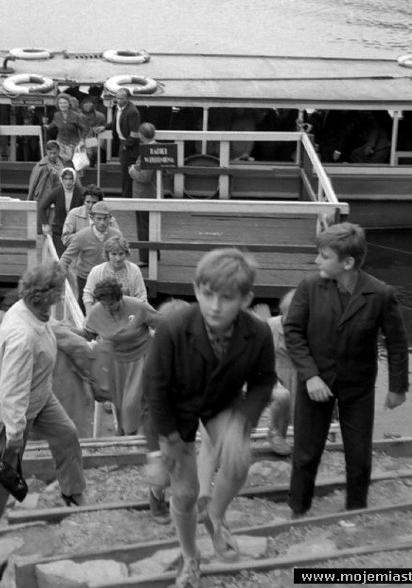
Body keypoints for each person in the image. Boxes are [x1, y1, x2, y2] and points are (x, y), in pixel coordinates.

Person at [144, 249, 276, 587]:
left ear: (246, 299)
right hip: (175, 410)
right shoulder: (173, 327)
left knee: (239, 458)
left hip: (220, 402)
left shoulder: (258, 333)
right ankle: (190, 556)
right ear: (196, 289)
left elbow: (263, 382)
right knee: (185, 494)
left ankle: (215, 515)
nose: (215, 306)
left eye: (227, 298)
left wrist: (241, 423)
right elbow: (155, 387)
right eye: (207, 295)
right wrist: (164, 446)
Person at [284, 222, 409, 518]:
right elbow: (293, 332)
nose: (317, 261)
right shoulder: (309, 287)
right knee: (306, 452)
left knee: (359, 454)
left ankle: (355, 510)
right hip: (315, 382)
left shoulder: (380, 294)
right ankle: (298, 509)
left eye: (324, 256)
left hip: (358, 386)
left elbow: (397, 342)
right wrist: (310, 375)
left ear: (348, 262)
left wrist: (397, 387)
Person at [0, 262, 86, 538]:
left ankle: (72, 491)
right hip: (9, 409)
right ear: (47, 296)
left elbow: (54, 328)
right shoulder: (22, 336)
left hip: (40, 396)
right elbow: (12, 389)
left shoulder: (37, 312)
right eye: (60, 291)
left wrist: (84, 338)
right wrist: (14, 430)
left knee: (66, 434)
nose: (62, 295)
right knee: (3, 464)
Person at [83, 277, 168, 523]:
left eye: (114, 304)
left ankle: (144, 440)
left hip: (143, 358)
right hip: (118, 363)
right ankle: (130, 438)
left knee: (136, 403)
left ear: (120, 298)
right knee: (122, 407)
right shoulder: (97, 312)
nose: (111, 309)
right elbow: (87, 332)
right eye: (106, 305)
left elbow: (162, 323)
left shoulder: (137, 307)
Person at [59, 200, 119, 308]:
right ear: (92, 218)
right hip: (85, 278)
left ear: (110, 218)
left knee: (110, 309)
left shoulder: (116, 235)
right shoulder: (82, 235)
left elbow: (122, 256)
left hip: (108, 278)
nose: (102, 222)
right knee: (83, 308)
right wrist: (60, 277)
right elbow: (66, 257)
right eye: (98, 219)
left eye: (105, 218)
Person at [265, 291, 296, 457]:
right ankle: (274, 432)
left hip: (299, 372)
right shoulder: (270, 325)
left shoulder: (311, 328)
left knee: (300, 408)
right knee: (283, 397)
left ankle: (293, 441)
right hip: (273, 369)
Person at [82, 233, 147, 311]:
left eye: (121, 254)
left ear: (126, 253)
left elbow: (141, 296)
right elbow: (88, 294)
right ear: (107, 254)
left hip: (128, 313)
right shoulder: (96, 271)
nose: (118, 258)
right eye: (113, 254)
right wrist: (89, 315)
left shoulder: (134, 270)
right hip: (103, 314)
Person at [128, 122, 161, 265]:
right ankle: (155, 253)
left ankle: (145, 257)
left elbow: (144, 177)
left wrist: (132, 171)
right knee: (151, 225)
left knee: (144, 227)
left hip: (144, 194)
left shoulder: (148, 150)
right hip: (152, 193)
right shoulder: (158, 147)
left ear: (141, 135)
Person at [38, 167, 85, 256]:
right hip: (59, 230)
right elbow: (42, 207)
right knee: (61, 256)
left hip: (76, 230)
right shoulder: (57, 192)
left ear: (74, 179)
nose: (68, 182)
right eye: (65, 179)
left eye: (70, 179)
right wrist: (45, 224)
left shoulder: (80, 192)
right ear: (61, 179)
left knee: (75, 256)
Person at [113, 87, 141, 197]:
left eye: (122, 98)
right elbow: (116, 123)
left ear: (128, 98)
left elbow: (135, 133)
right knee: (125, 172)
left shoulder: (132, 111)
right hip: (121, 142)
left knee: (127, 173)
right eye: (117, 98)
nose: (119, 101)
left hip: (129, 147)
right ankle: (127, 195)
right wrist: (104, 127)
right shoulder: (118, 108)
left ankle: (127, 197)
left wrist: (126, 146)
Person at [44, 93, 86, 164]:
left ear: (69, 104)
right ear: (58, 104)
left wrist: (82, 141)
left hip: (73, 143)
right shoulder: (57, 115)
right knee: (60, 162)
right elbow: (54, 123)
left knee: (71, 163)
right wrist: (46, 125)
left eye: (64, 103)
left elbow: (84, 129)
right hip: (60, 143)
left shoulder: (76, 116)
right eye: (60, 103)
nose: (63, 105)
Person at [79, 96, 107, 165]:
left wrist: (103, 127)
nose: (88, 117)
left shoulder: (101, 116)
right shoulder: (79, 117)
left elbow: (107, 127)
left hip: (98, 139)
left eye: (90, 114)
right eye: (86, 115)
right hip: (82, 140)